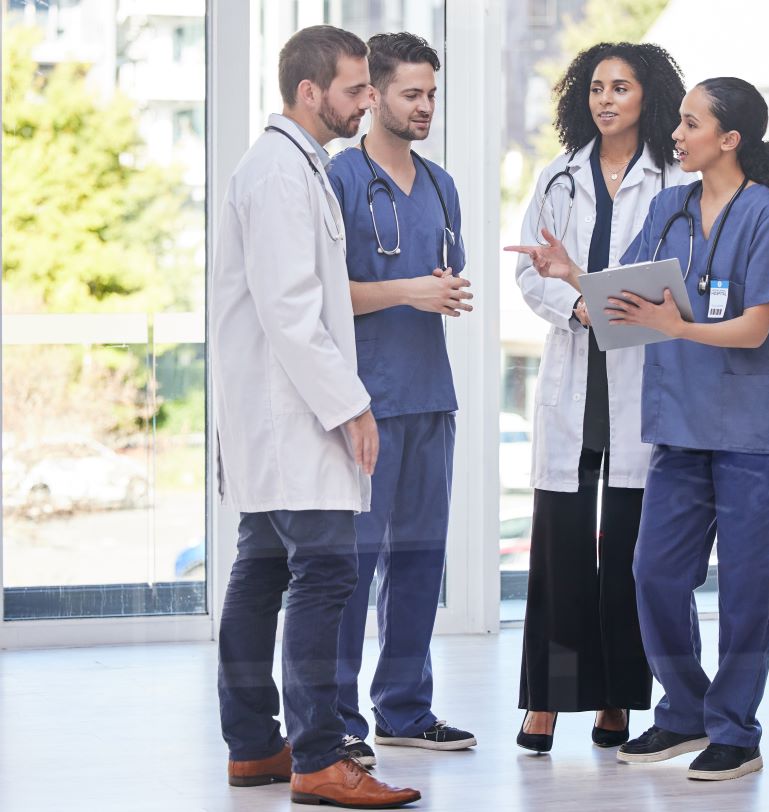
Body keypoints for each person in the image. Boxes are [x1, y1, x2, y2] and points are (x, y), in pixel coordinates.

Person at [211, 25, 419, 809]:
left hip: (278, 416)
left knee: (263, 570)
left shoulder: (295, 167)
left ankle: (254, 747)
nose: (367, 100)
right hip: (290, 415)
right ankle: (321, 759)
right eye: (355, 88)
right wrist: (351, 405)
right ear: (309, 92)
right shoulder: (278, 173)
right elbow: (292, 310)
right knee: (325, 573)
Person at [592, 76, 769, 780]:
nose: (678, 135)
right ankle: (686, 710)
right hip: (680, 428)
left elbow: (753, 329)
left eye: (692, 124)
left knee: (746, 589)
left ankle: (736, 731)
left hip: (752, 434)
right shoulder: (669, 208)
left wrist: (676, 325)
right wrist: (572, 277)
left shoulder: (766, 214)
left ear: (730, 139)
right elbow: (624, 296)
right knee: (655, 574)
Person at [503, 42, 691, 753]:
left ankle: (617, 698)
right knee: (560, 556)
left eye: (621, 87)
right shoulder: (559, 177)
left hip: (642, 381)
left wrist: (600, 297)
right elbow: (531, 273)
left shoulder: (674, 178)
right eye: (596, 87)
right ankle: (547, 700)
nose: (606, 99)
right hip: (577, 380)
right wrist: (579, 307)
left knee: (630, 558)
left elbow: (676, 277)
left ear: (649, 97)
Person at [326, 32, 476, 765]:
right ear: (374, 94)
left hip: (429, 398)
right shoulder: (340, 177)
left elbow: (443, 273)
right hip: (365, 401)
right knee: (349, 570)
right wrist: (410, 290)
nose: (425, 108)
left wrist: (437, 291)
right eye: (411, 94)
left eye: (432, 95)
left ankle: (406, 709)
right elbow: (325, 294)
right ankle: (336, 723)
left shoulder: (441, 185)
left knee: (420, 560)